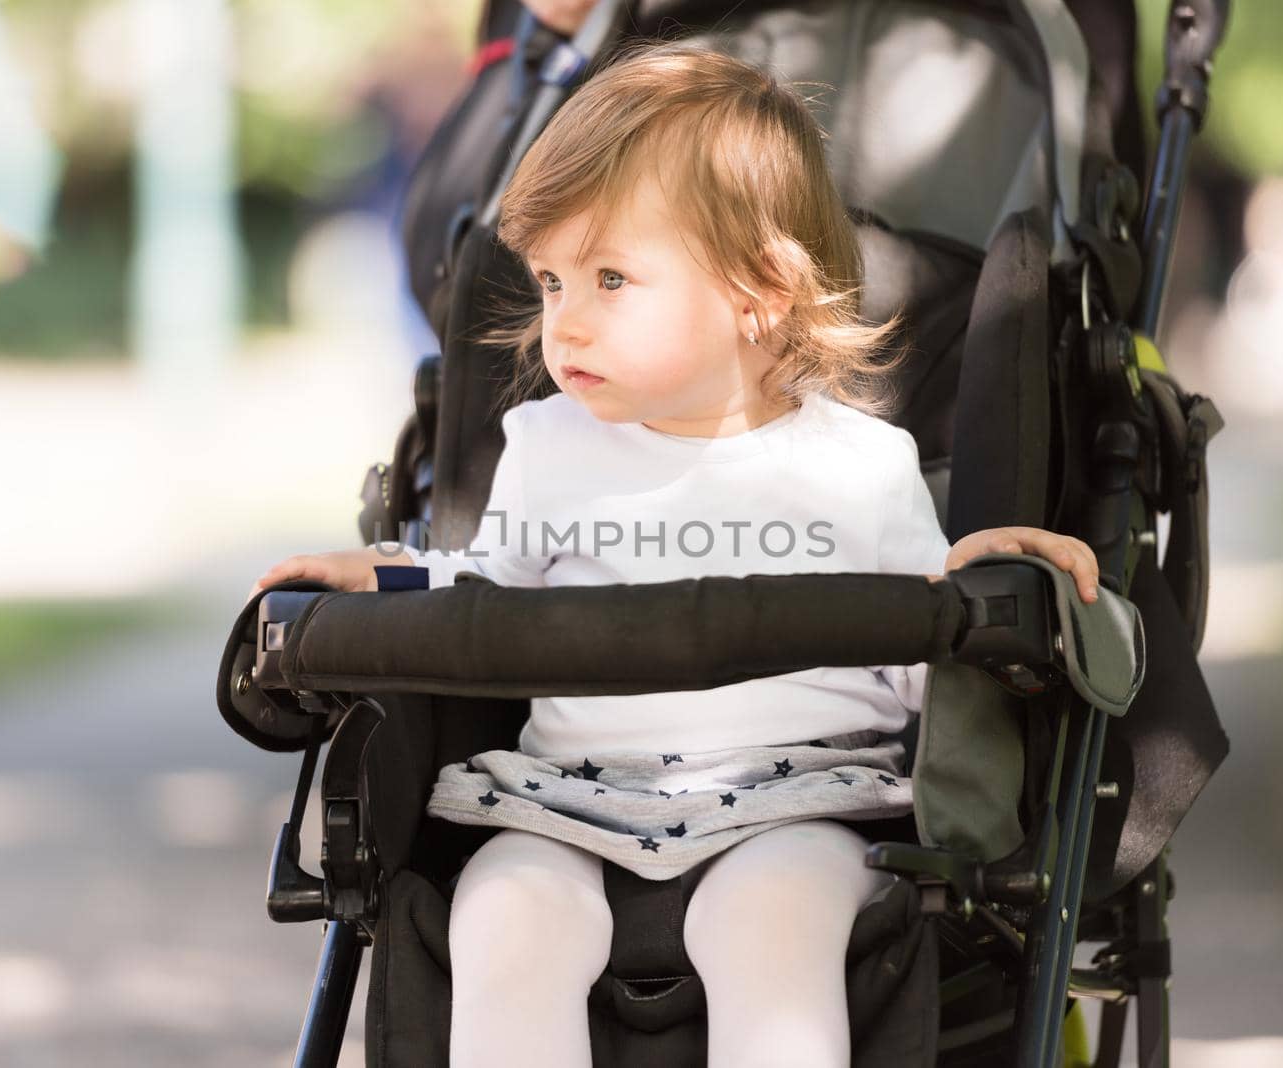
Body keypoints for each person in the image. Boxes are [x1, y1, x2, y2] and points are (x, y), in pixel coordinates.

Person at [252, 45, 1099, 1068]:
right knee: (502, 915)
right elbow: (488, 592)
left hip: (800, 800)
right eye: (554, 280)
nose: (564, 321)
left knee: (771, 928)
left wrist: (985, 574)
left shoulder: (861, 467)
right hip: (566, 801)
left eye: (611, 278)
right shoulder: (548, 447)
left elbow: (930, 653)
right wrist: (389, 578)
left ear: (760, 291)